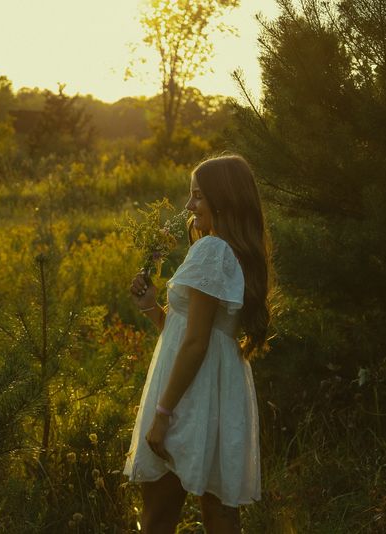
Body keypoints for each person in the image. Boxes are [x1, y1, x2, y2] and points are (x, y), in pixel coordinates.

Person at [123, 154, 273, 534]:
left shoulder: (212, 250)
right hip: (219, 391)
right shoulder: (236, 251)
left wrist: (162, 415)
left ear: (223, 200)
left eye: (198, 197)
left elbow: (194, 345)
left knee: (158, 516)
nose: (189, 206)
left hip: (188, 395)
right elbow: (194, 333)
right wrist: (152, 309)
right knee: (220, 515)